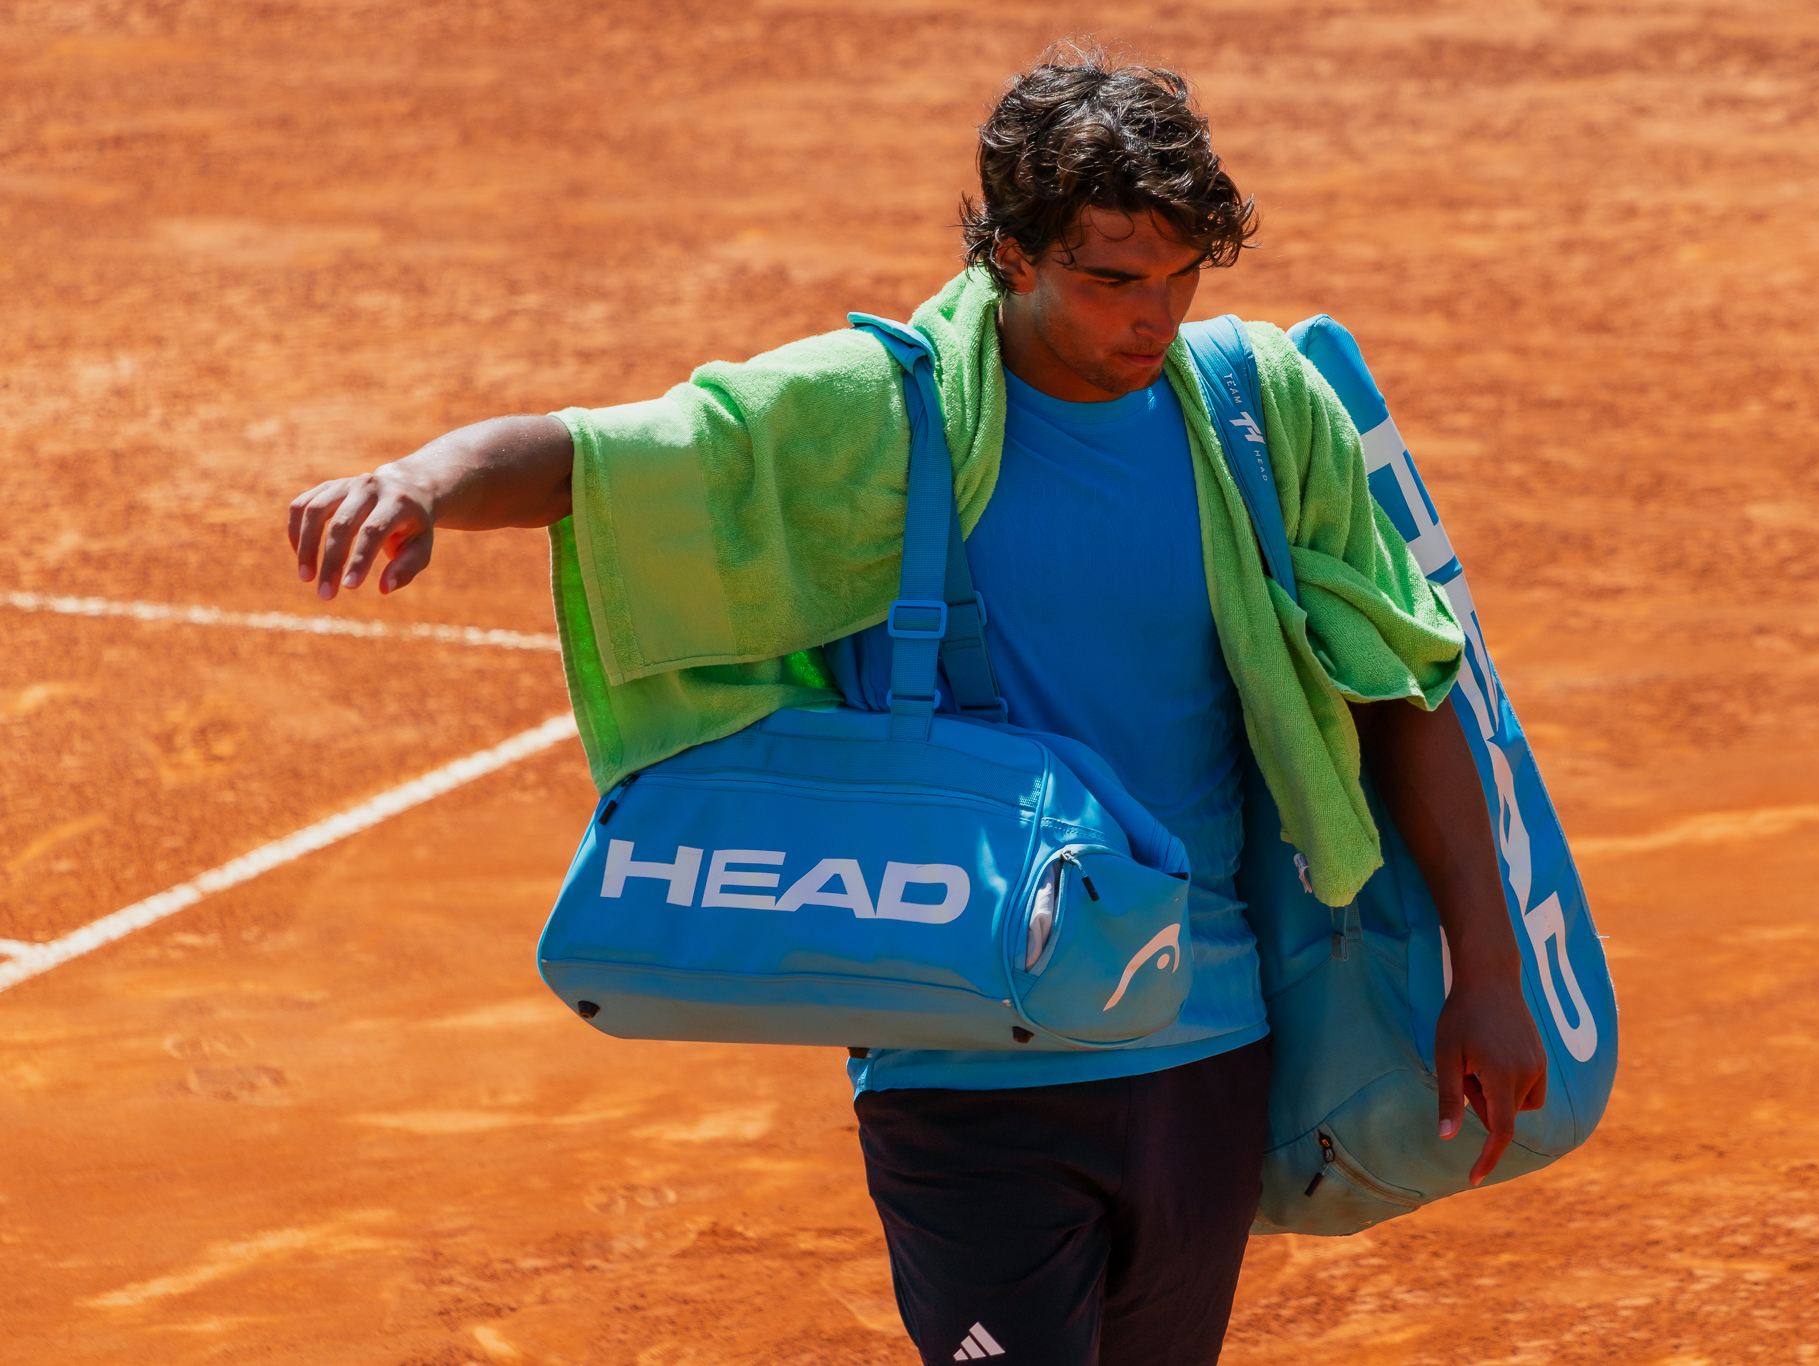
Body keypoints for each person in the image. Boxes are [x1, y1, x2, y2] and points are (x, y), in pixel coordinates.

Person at [286, 50, 1546, 1366]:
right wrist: (418, 481)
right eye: (1112, 278)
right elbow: (608, 459)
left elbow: (1400, 684)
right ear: (1010, 252)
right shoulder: (886, 412)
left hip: (1207, 1041)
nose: (1152, 316)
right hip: (963, 1058)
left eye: (1181, 275)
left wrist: (1490, 968)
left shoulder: (1257, 407)